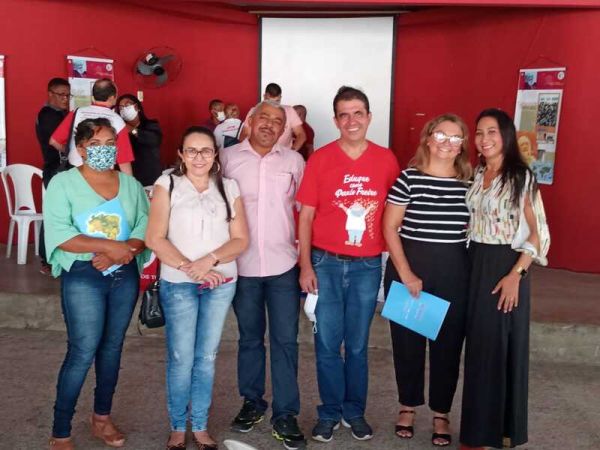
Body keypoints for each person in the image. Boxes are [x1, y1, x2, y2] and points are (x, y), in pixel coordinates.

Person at [296, 86, 399, 443]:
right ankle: (329, 412)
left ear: (369, 117)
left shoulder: (386, 160)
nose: (351, 120)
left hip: (367, 266)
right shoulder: (320, 159)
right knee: (327, 344)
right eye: (344, 114)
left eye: (358, 113)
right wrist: (305, 266)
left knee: (356, 345)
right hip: (324, 262)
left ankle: (354, 411)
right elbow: (306, 217)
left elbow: (395, 216)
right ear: (336, 120)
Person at [44, 118, 150, 450]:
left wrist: (125, 251)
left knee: (112, 348)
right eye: (95, 144)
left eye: (109, 144)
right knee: (82, 350)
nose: (104, 150)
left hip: (124, 275)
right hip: (83, 276)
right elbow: (60, 233)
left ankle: (101, 418)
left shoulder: (130, 185)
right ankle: (61, 431)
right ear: (80, 149)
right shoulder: (63, 183)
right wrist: (109, 247)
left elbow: (144, 226)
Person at [145, 126, 249, 450]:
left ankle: (200, 426)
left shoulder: (229, 187)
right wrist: (193, 269)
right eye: (191, 150)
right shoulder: (167, 184)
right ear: (181, 154)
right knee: (180, 358)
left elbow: (241, 240)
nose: (199, 157)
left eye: (205, 150)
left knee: (206, 357)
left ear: (215, 154)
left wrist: (209, 261)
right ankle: (178, 426)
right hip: (179, 284)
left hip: (221, 283)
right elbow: (154, 238)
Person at [460, 108, 550, 450]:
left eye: (492, 132)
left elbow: (539, 232)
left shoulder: (520, 177)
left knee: (496, 348)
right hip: (475, 261)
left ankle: (488, 435)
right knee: (480, 348)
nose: (484, 139)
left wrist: (516, 275)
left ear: (506, 136)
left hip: (506, 265)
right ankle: (480, 431)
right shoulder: (478, 173)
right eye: (479, 132)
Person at [220, 100, 306, 450]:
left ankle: (285, 414)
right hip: (242, 266)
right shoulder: (227, 159)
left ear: (285, 129)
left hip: (283, 265)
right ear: (250, 122)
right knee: (249, 338)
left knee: (286, 341)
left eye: (278, 121)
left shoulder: (294, 161)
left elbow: (305, 210)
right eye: (264, 118)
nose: (270, 125)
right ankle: (252, 401)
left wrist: (307, 261)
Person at [382, 114, 472, 447]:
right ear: (428, 139)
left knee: (448, 347)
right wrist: (406, 273)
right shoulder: (409, 178)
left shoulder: (470, 184)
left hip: (454, 272)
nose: (448, 143)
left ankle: (441, 413)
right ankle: (407, 406)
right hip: (410, 270)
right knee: (407, 345)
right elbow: (390, 227)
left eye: (455, 137)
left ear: (462, 145)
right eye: (441, 135)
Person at [50, 78, 134, 175]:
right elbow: (124, 161)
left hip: (75, 172)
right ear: (112, 97)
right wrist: (130, 182)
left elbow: (53, 141)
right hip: (101, 175)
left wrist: (71, 151)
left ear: (93, 96)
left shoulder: (77, 113)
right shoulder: (117, 120)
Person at [36, 77, 71, 274]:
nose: (65, 99)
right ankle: (47, 259)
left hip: (60, 170)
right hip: (56, 170)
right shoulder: (48, 115)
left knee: (60, 213)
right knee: (54, 214)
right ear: (50, 94)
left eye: (68, 95)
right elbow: (57, 142)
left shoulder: (61, 114)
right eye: (61, 95)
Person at [239, 83, 306, 150]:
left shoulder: (289, 111)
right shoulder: (254, 111)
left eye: (277, 101)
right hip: (257, 153)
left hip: (283, 154)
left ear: (280, 98)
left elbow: (301, 135)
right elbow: (244, 134)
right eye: (269, 102)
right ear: (264, 96)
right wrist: (249, 152)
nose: (272, 106)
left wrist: (291, 152)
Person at [116, 94, 162, 187]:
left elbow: (154, 140)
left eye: (127, 105)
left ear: (137, 107)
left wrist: (131, 130)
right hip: (129, 178)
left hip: (150, 178)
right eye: (121, 107)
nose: (124, 109)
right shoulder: (120, 130)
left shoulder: (151, 125)